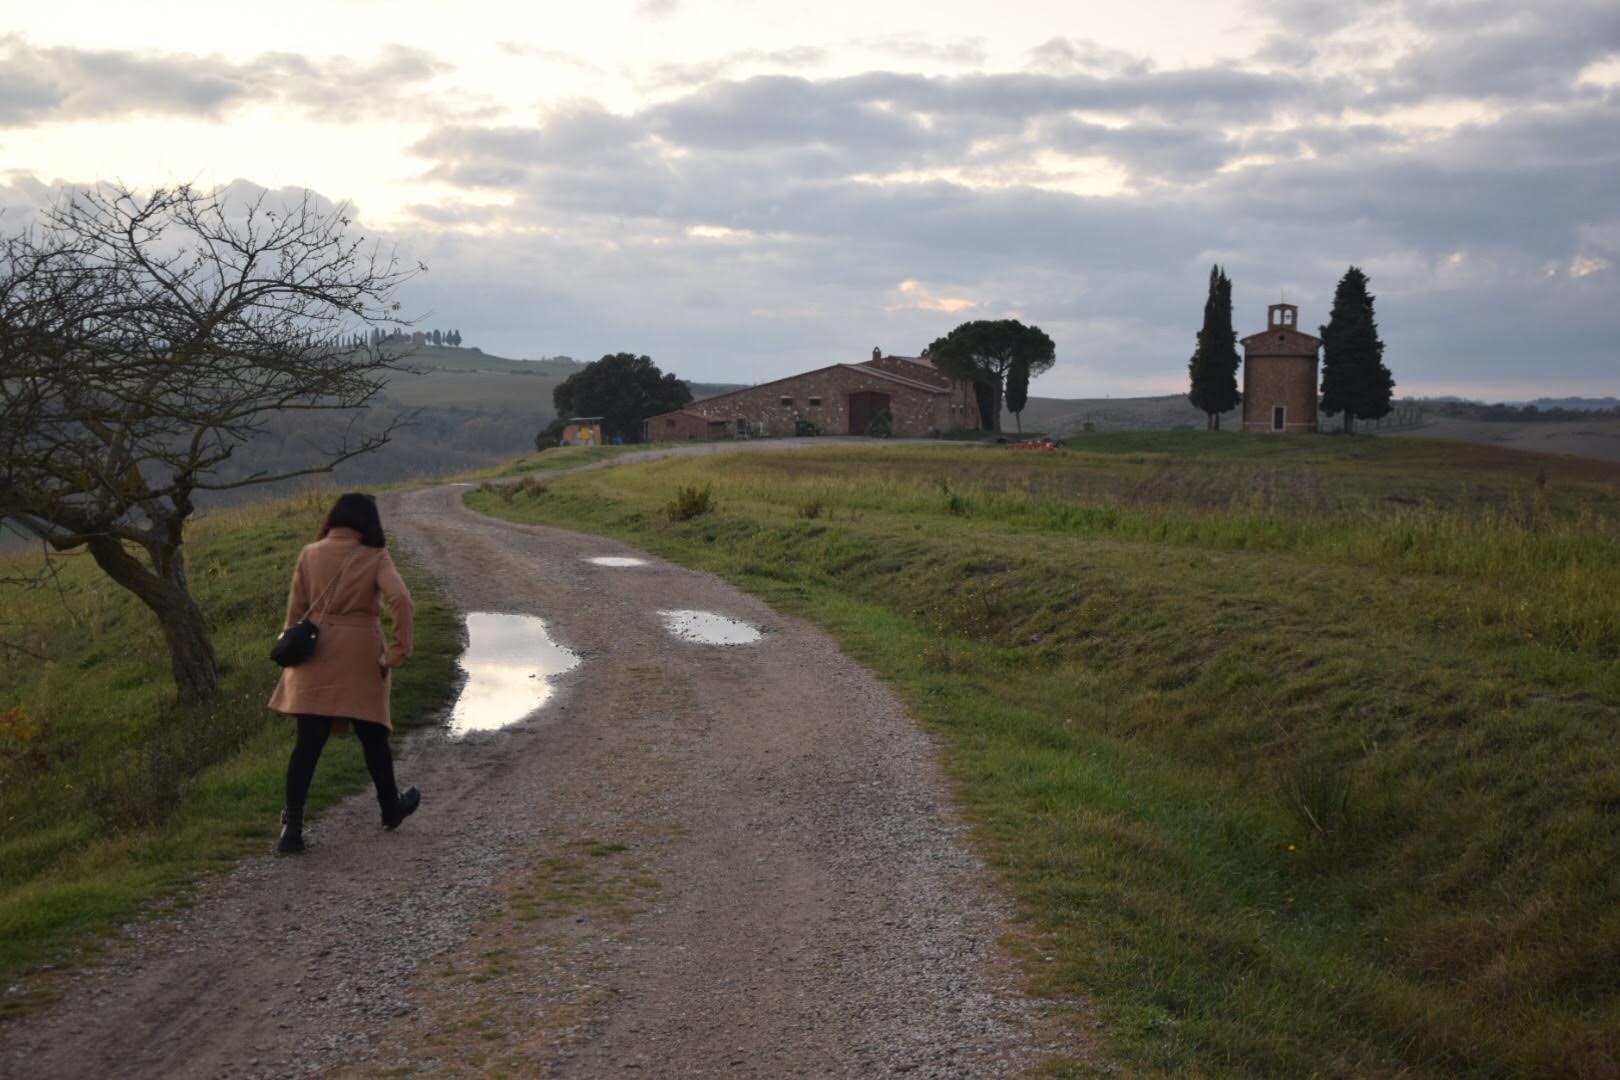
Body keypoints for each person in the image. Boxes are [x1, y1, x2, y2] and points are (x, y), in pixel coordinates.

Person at [269, 493, 420, 854]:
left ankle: (292, 828)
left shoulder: (310, 553)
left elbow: (295, 614)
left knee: (307, 745)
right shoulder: (375, 556)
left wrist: (293, 653)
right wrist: (398, 650)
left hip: (314, 654)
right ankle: (390, 809)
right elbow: (402, 600)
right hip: (360, 655)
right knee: (373, 736)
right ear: (369, 522)